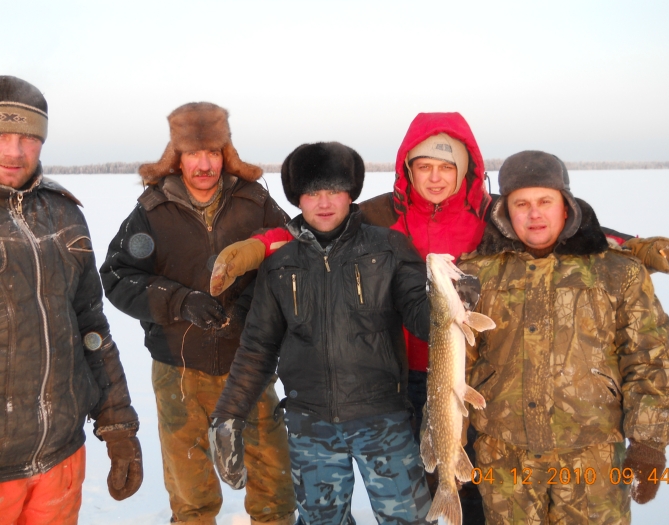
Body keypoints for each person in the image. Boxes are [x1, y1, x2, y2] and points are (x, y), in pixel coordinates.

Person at [208, 112, 669, 524]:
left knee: (476, 495)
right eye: (425, 167)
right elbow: (315, 229)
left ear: (465, 169)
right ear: (409, 170)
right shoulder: (381, 214)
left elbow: (567, 230)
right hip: (399, 380)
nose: (437, 177)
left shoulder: (491, 213)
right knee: (427, 487)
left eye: (447, 166)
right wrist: (259, 246)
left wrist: (634, 246)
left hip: (474, 379)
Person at [209, 142, 434, 524]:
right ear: (299, 198)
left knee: (411, 520)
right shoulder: (280, 264)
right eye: (313, 192)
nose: (324, 202)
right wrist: (228, 415)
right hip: (309, 425)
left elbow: (421, 317)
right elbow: (258, 348)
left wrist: (451, 304)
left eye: (334, 190)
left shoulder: (388, 248)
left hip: (383, 420)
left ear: (351, 194)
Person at [457, 150, 669, 524]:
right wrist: (449, 449)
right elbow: (455, 368)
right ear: (504, 212)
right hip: (504, 457)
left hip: (592, 457)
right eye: (521, 204)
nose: (534, 214)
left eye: (545, 201)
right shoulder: (474, 274)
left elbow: (651, 357)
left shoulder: (616, 271)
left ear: (566, 205)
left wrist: (649, 443)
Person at [100, 102, 296, 525]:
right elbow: (116, 276)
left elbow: (287, 257)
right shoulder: (152, 212)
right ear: (177, 156)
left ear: (226, 153)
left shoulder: (254, 202)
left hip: (251, 365)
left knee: (275, 490)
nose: (204, 164)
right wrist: (179, 302)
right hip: (178, 370)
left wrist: (247, 308)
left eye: (213, 152)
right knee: (191, 498)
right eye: (193, 153)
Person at [0, 76, 142, 524]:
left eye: (28, 138)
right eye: (3, 135)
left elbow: (90, 326)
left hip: (61, 458)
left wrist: (117, 422)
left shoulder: (63, 213)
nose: (14, 151)